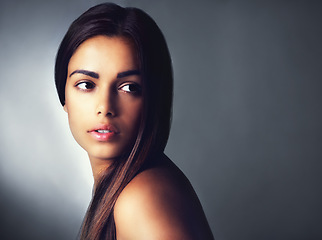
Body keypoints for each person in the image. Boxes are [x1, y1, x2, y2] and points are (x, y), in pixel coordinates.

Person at [55, 3, 214, 240]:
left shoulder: (141, 197)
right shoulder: (135, 187)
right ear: (64, 97)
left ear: (153, 98)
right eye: (87, 84)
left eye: (129, 87)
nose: (105, 108)